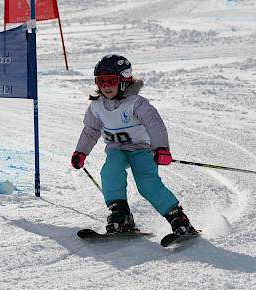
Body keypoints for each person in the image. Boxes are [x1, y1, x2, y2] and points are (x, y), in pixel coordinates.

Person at [71, 54, 197, 235]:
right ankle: (121, 215)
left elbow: (154, 124)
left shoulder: (136, 103)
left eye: (110, 81)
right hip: (116, 149)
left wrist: (161, 148)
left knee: (146, 182)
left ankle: (177, 218)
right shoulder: (96, 106)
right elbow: (91, 130)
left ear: (124, 80)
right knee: (110, 170)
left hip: (141, 148)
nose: (105, 86)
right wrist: (80, 152)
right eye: (101, 81)